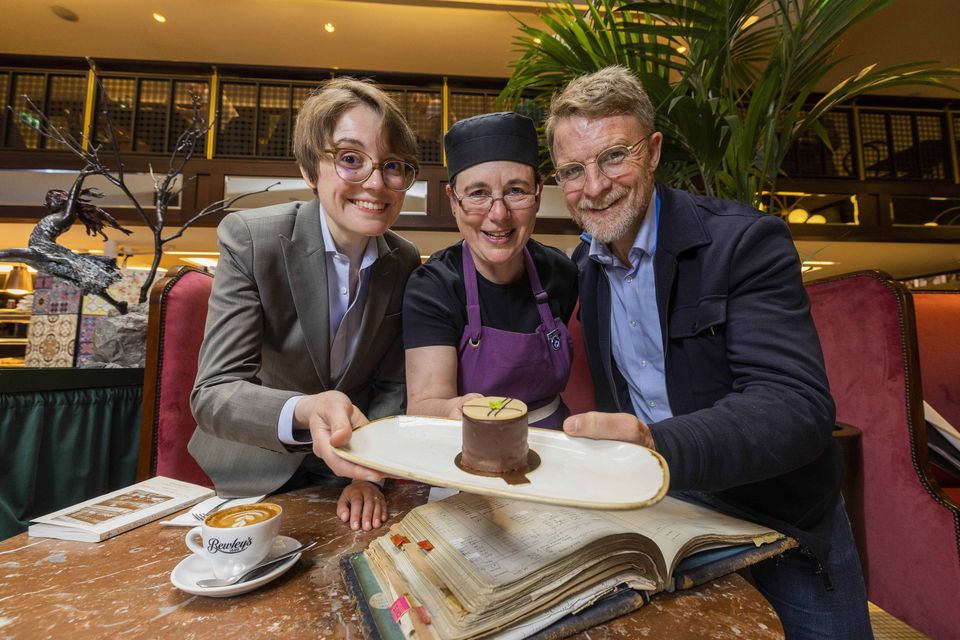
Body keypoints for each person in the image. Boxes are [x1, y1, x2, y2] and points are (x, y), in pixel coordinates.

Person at [548, 67, 873, 638]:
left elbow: (796, 407)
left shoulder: (745, 242)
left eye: (613, 157)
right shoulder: (585, 269)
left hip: (781, 520)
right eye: (573, 169)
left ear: (652, 152)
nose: (593, 186)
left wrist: (656, 446)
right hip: (669, 518)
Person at [189, 77, 421, 532]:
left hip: (351, 471)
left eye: (393, 165)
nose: (376, 184)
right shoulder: (251, 238)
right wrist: (306, 409)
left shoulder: (406, 259)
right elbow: (213, 393)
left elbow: (393, 383)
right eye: (351, 160)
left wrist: (366, 469)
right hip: (252, 471)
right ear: (309, 169)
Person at [403, 112, 577, 428]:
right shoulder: (434, 287)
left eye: (516, 191)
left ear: (537, 194)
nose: (499, 214)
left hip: (557, 445)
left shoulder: (562, 273)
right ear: (453, 201)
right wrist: (456, 410)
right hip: (466, 446)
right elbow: (425, 404)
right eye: (478, 193)